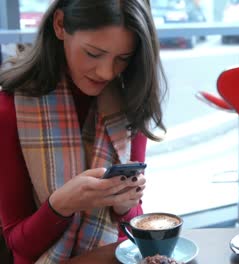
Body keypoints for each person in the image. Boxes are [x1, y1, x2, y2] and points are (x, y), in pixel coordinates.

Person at [0, 0, 167, 263]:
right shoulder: (10, 110)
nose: (106, 72)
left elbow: (132, 226)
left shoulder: (130, 102)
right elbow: (18, 246)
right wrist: (62, 205)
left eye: (122, 58)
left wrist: (125, 205)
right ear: (59, 25)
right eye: (93, 53)